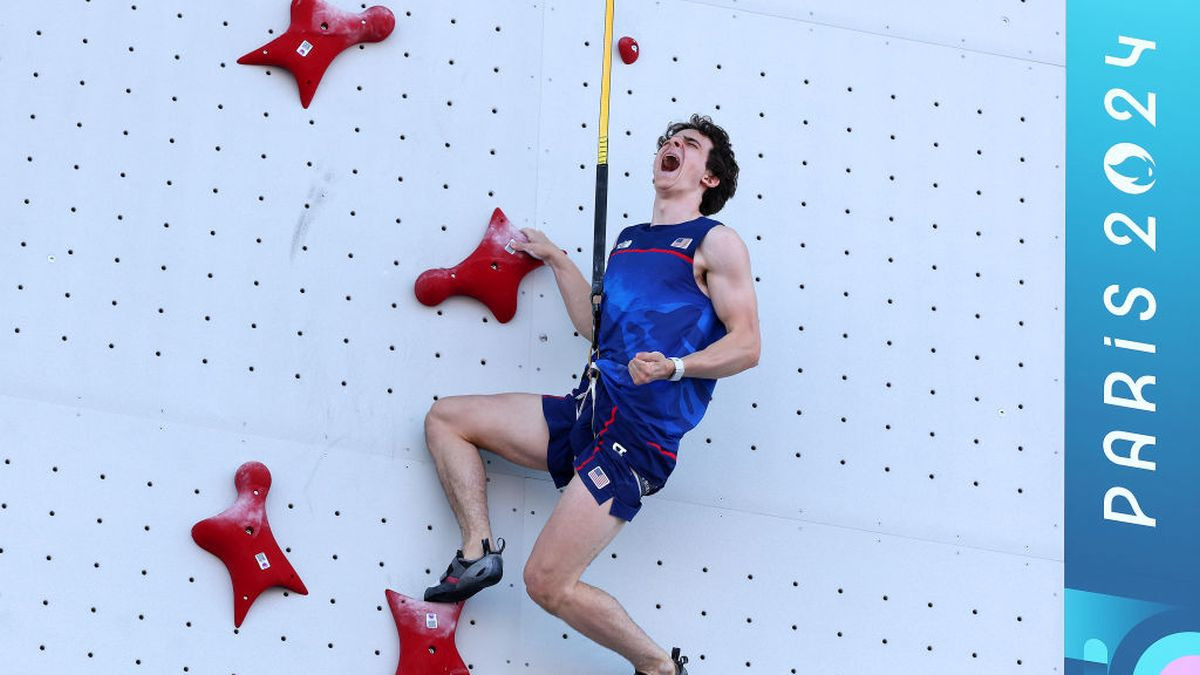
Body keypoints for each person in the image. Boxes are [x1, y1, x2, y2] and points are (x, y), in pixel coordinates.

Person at [423, 114, 760, 675]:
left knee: (546, 583)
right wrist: (557, 257)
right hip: (590, 410)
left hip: (634, 438)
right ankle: (478, 551)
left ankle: (659, 667)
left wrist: (677, 366)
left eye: (690, 145)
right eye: (668, 142)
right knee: (446, 420)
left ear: (711, 179)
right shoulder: (629, 241)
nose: (673, 146)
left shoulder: (715, 243)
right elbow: (593, 326)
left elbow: (747, 346)